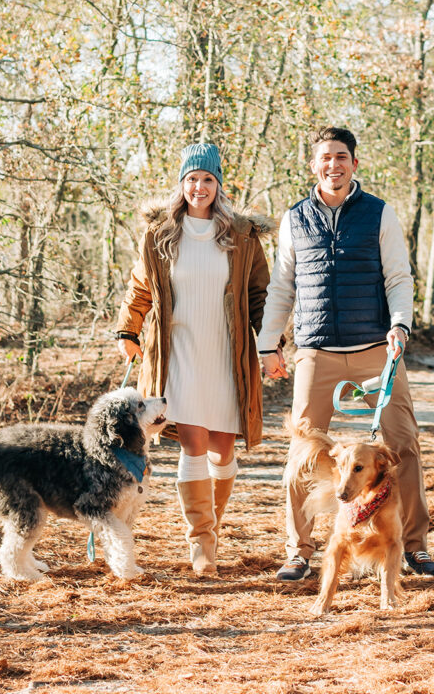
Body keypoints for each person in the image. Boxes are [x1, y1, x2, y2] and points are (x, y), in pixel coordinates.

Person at [257, 125, 434, 581]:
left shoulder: (379, 214)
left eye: (342, 157)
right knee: (302, 454)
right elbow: (282, 288)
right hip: (315, 352)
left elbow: (399, 277)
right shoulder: (295, 218)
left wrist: (400, 325)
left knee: (404, 448)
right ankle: (298, 551)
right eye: (325, 158)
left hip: (376, 352)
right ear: (313, 165)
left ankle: (414, 547)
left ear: (354, 164)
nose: (333, 165)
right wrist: (268, 345)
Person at [115, 142, 271, 576]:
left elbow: (259, 294)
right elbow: (140, 289)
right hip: (176, 351)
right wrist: (129, 330)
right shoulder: (160, 234)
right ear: (180, 185)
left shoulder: (241, 236)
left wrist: (272, 343)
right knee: (194, 442)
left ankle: (211, 530)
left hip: (226, 351)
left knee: (223, 451)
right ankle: (202, 544)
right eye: (191, 179)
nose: (198, 187)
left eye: (207, 179)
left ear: (218, 185)